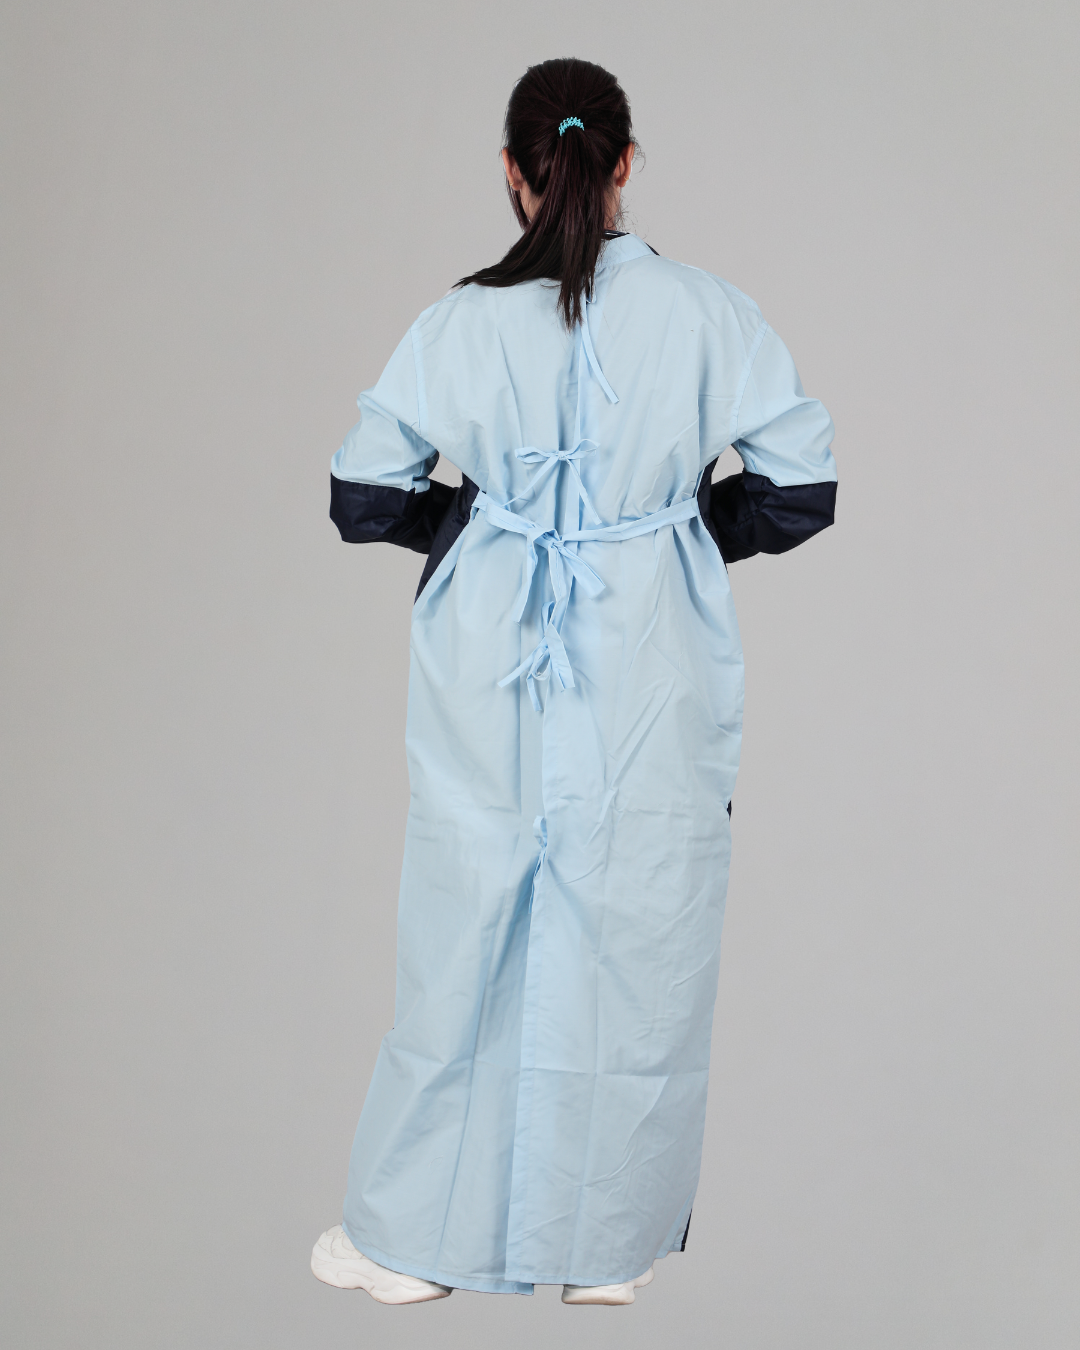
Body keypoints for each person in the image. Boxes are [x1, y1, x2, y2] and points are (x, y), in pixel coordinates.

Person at [311, 56, 836, 1307]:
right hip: (652, 646)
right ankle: (612, 1248)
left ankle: (411, 1245)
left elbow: (362, 496)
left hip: (488, 652)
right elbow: (800, 490)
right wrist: (670, 531)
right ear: (627, 163)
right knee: (641, 927)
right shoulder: (710, 314)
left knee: (464, 928)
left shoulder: (458, 322)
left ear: (514, 170)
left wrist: (478, 528)